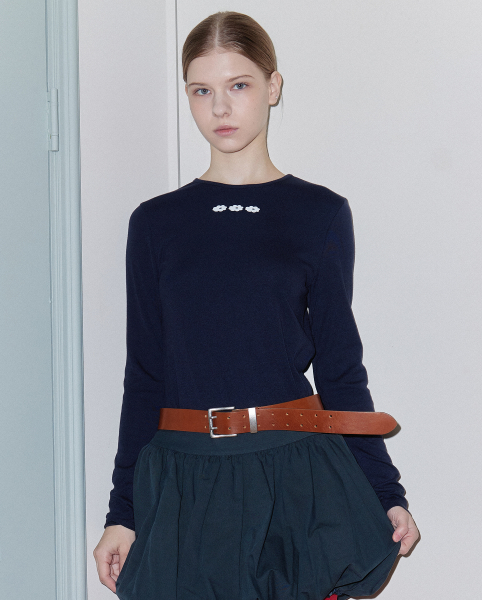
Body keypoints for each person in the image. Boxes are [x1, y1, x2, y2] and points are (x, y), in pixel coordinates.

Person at [93, 11, 419, 600]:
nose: (220, 108)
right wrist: (123, 512)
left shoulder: (319, 213)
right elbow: (144, 375)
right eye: (201, 90)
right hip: (184, 477)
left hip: (291, 474)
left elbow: (341, 369)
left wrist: (384, 491)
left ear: (272, 87)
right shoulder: (155, 223)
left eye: (238, 85)